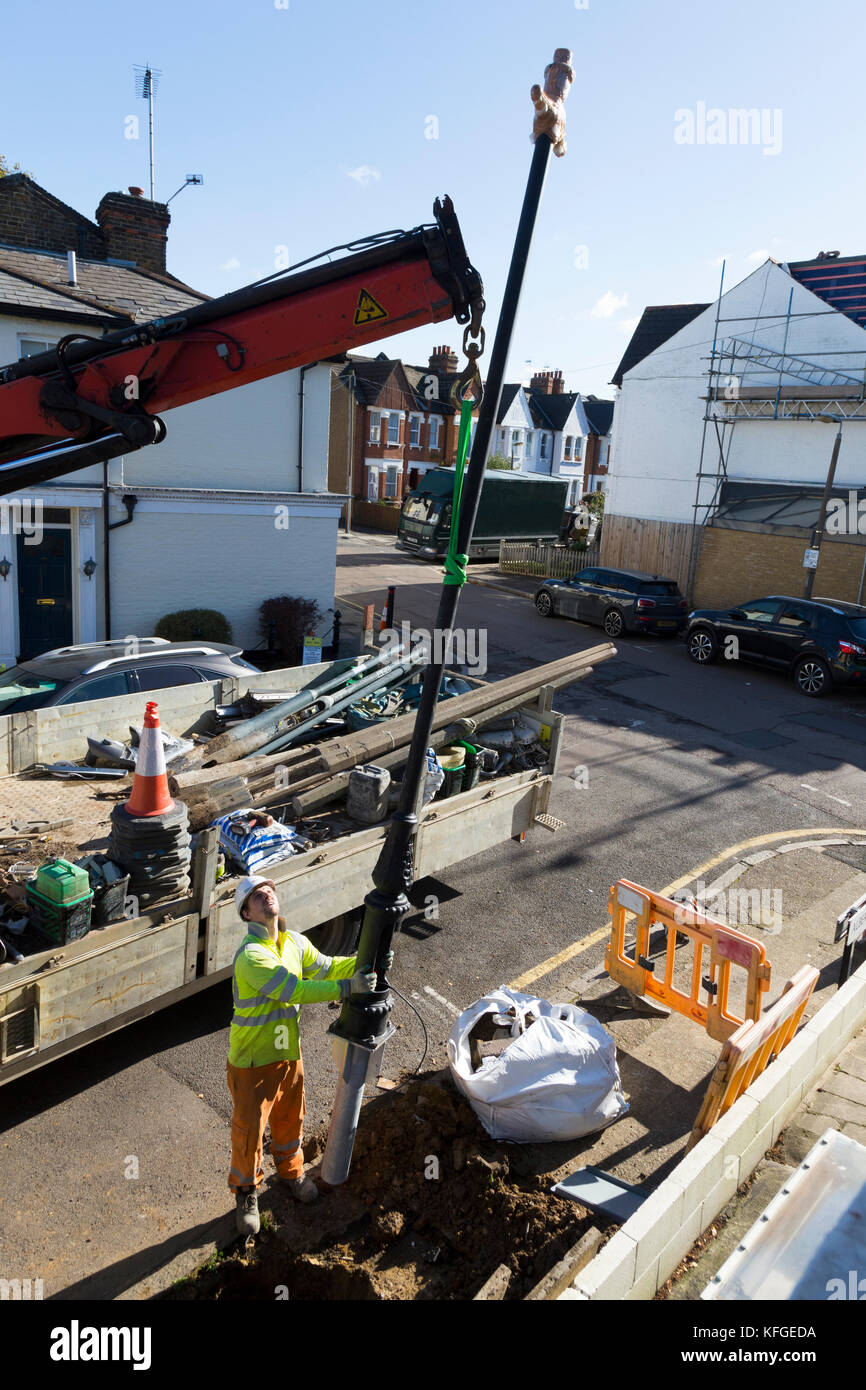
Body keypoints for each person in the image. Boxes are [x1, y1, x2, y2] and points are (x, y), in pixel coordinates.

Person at [227, 874, 392, 1236]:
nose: (266, 895)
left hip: (287, 1050)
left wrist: (368, 963)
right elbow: (294, 990)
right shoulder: (251, 956)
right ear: (247, 913)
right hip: (253, 1059)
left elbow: (330, 967)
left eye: (269, 889)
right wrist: (349, 988)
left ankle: (291, 1173)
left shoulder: (295, 943)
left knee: (290, 1119)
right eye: (256, 895)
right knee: (249, 1133)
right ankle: (246, 1193)